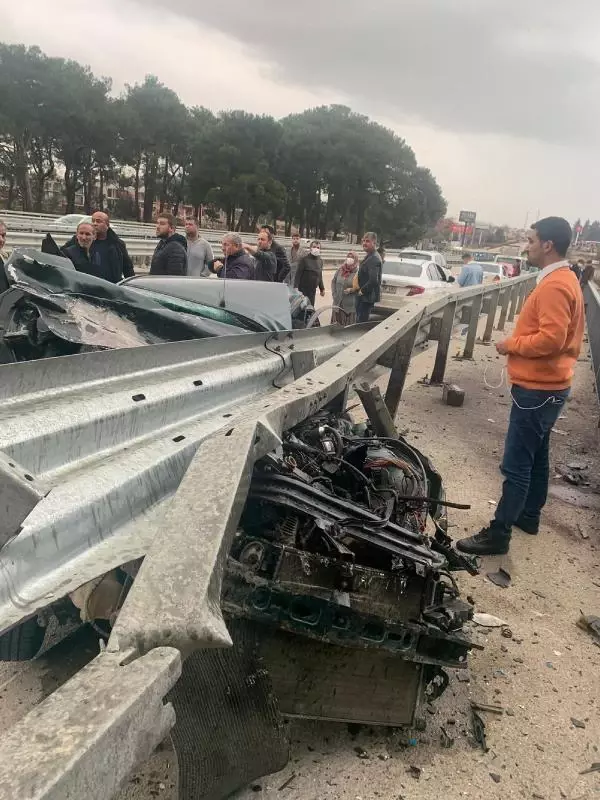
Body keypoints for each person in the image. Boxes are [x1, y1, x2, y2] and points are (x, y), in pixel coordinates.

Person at [457, 217, 585, 556]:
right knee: (537, 455)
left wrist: (510, 345)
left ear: (547, 245)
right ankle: (528, 516)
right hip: (551, 386)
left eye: (530, 240)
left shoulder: (555, 285)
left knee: (516, 465)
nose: (524, 245)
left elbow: (552, 339)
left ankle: (499, 533)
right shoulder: (564, 278)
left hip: (538, 389)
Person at [90, 210, 135, 281]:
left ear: (107, 225)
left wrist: (131, 284)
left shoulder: (117, 244)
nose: (94, 224)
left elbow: (127, 268)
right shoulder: (84, 240)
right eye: (93, 221)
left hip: (111, 286)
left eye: (98, 221)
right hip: (89, 285)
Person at [355, 232, 382, 323]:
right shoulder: (370, 256)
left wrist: (362, 291)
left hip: (366, 297)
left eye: (368, 241)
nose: (364, 243)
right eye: (363, 241)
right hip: (365, 297)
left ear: (374, 243)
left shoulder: (374, 258)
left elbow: (374, 280)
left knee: (360, 324)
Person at [331, 251, 359, 325]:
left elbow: (360, 288)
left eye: (352, 257)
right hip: (337, 303)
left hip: (349, 306)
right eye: (348, 256)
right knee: (335, 326)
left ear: (356, 259)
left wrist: (351, 290)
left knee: (346, 329)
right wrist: (334, 294)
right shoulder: (340, 270)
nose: (350, 258)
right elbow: (333, 281)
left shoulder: (357, 272)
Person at [294, 240, 325, 306]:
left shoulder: (320, 261)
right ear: (310, 248)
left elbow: (320, 276)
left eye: (318, 247)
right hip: (303, 290)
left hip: (312, 290)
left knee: (310, 306)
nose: (316, 249)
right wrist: (296, 287)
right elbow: (298, 274)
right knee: (302, 307)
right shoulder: (304, 260)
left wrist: (322, 288)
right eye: (314, 247)